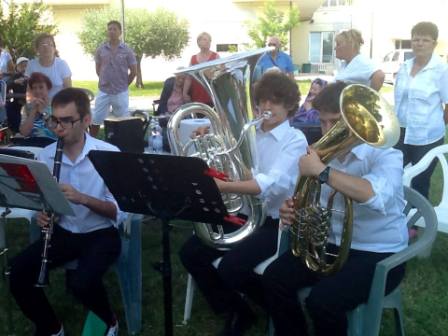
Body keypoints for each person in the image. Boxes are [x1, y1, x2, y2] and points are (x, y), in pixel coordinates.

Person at [261, 81, 408, 336]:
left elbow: (375, 195)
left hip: (377, 253)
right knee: (274, 278)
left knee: (323, 302)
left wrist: (322, 172)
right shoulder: (318, 155)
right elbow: (309, 200)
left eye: (336, 122)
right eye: (323, 122)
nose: (327, 131)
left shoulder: (386, 155)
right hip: (329, 246)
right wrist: (292, 211)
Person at [179, 71, 308, 336]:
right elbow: (226, 165)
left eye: (275, 101)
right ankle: (237, 310)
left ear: (290, 106)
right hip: (246, 214)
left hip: (278, 222)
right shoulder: (247, 132)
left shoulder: (294, 140)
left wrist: (225, 187)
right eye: (262, 101)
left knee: (231, 267)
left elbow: (266, 184)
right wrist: (207, 139)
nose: (267, 107)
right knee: (191, 253)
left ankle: (275, 306)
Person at [9, 87, 124, 336]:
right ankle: (52, 328)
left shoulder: (108, 155)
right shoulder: (48, 155)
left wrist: (83, 198)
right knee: (17, 271)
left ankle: (109, 320)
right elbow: (41, 198)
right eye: (54, 120)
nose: (58, 128)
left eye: (66, 121)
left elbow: (119, 213)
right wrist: (40, 214)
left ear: (86, 121)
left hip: (101, 233)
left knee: (81, 284)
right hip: (64, 231)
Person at [394, 21, 448, 200]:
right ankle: (395, 213)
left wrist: (437, 123)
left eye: (425, 40)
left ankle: (416, 224)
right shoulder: (404, 67)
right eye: (416, 39)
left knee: (420, 181)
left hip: (427, 137)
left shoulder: (442, 70)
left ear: (434, 43)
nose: (419, 43)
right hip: (400, 132)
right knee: (393, 173)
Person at [90, 20, 137, 138]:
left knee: (122, 120)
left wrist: (124, 85)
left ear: (120, 32)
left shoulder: (127, 50)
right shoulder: (101, 49)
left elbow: (134, 71)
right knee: (96, 119)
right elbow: (98, 69)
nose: (112, 31)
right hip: (104, 91)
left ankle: (122, 144)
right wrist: (105, 80)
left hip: (120, 91)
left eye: (114, 29)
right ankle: (90, 142)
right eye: (109, 29)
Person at [25, 33, 72, 99]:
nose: (46, 47)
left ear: (54, 49)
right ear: (37, 49)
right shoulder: (31, 65)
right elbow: (29, 90)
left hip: (58, 105)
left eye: (50, 44)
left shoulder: (62, 64)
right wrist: (32, 105)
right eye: (43, 44)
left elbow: (69, 91)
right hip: (38, 104)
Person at [182, 32, 219, 106]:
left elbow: (219, 76)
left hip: (212, 96)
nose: (208, 42)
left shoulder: (216, 57)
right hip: (196, 96)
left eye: (209, 40)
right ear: (198, 42)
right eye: (205, 39)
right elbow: (189, 78)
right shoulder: (193, 59)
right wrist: (184, 93)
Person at [19, 72, 57, 142]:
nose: (37, 91)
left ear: (48, 88)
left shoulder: (56, 106)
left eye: (41, 87)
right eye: (34, 88)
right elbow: (24, 133)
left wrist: (43, 112)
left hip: (52, 145)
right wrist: (33, 111)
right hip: (32, 145)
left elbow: (56, 131)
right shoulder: (26, 108)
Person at [5, 56, 28, 133]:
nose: (24, 68)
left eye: (26, 66)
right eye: (21, 66)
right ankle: (15, 130)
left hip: (29, 103)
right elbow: (6, 85)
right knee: (8, 107)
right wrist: (15, 82)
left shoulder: (32, 76)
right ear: (17, 67)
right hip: (17, 103)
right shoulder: (15, 76)